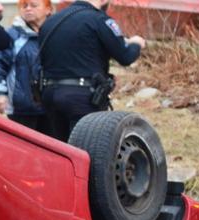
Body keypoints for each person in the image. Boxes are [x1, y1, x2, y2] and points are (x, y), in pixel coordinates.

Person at [37, 0, 146, 142]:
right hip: (82, 98)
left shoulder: (51, 22)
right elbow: (125, 57)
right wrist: (136, 43)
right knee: (86, 148)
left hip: (49, 94)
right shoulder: (100, 20)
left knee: (58, 150)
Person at [0, 0, 52, 132]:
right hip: (22, 108)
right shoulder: (12, 35)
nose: (28, 9)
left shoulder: (57, 33)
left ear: (48, 9)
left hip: (52, 106)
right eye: (24, 6)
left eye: (34, 5)